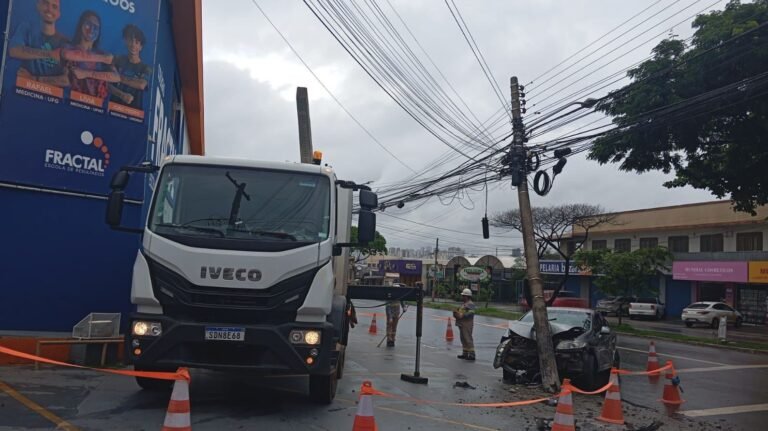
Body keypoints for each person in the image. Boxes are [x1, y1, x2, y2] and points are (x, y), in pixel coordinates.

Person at [7, 0, 69, 87]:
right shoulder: (26, 28)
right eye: (45, 3)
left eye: (54, 7)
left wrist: (34, 79)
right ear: (38, 5)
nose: (49, 9)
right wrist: (50, 54)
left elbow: (68, 80)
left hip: (52, 98)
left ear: (59, 14)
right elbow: (14, 50)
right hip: (20, 93)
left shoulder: (65, 42)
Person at [62, 10, 119, 99]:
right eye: (89, 24)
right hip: (71, 102)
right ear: (81, 25)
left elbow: (116, 77)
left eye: (96, 27)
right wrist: (102, 59)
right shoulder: (69, 47)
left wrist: (86, 73)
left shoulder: (103, 54)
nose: (92, 29)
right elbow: (67, 55)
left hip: (97, 107)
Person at [109, 24, 151, 109]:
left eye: (137, 42)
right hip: (113, 109)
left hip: (134, 115)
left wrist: (118, 78)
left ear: (141, 47)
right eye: (131, 40)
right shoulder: (117, 59)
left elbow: (141, 85)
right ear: (126, 41)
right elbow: (107, 83)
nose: (133, 45)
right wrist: (122, 95)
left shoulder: (146, 68)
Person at [453, 288, 476, 361]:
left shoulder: (471, 304)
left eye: (464, 296)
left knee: (468, 338)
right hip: (462, 323)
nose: (462, 297)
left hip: (467, 324)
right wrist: (456, 312)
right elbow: (460, 312)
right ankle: (465, 353)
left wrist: (463, 315)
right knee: (463, 339)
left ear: (467, 296)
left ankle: (472, 354)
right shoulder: (464, 304)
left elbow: (471, 313)